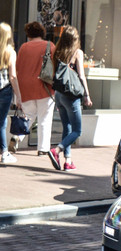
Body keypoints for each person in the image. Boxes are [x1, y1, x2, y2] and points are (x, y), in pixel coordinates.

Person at [47, 25, 92, 171]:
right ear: (75, 39)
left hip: (59, 94)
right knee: (77, 131)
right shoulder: (77, 52)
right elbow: (81, 75)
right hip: (71, 95)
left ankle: (68, 161)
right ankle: (57, 150)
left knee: (67, 127)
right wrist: (87, 94)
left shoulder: (57, 51)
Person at [16, 21, 56, 156]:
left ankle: (17, 137)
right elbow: (55, 67)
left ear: (28, 34)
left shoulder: (23, 47)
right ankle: (43, 149)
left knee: (28, 116)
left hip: (25, 87)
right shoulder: (50, 46)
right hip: (45, 87)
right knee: (45, 118)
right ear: (42, 32)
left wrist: (17, 94)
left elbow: (18, 68)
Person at [0, 22, 22, 164]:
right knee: (1, 123)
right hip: (5, 91)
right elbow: (13, 76)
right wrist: (18, 96)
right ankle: (4, 153)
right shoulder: (10, 52)